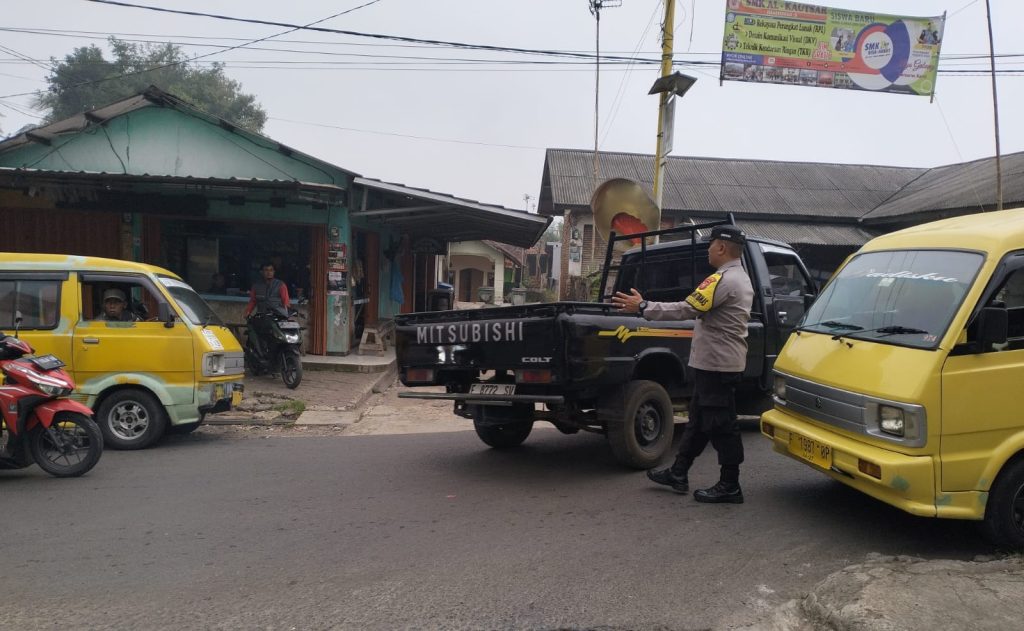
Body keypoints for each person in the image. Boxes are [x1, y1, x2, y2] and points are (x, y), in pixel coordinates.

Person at [611, 224, 754, 504]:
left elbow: (686, 308)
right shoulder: (739, 277)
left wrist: (643, 307)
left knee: (722, 425)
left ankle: (730, 484)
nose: (708, 250)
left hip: (717, 366)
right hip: (716, 364)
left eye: (710, 245)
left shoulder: (722, 279)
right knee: (698, 422)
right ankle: (678, 472)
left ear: (722, 247)